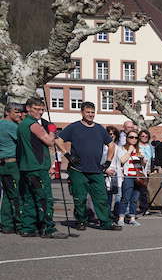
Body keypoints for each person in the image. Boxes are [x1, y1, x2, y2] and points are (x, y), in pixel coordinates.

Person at [55, 102, 121, 231]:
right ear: (82, 112)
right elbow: (58, 140)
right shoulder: (74, 127)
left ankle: (106, 222)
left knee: (101, 197)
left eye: (92, 112)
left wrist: (107, 161)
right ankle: (81, 221)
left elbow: (111, 145)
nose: (90, 114)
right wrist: (67, 155)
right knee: (79, 198)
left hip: (96, 169)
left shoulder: (100, 129)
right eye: (88, 112)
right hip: (77, 169)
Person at [16, 98, 67, 238]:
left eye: (42, 109)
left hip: (26, 167)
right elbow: (50, 142)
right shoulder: (33, 124)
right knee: (44, 198)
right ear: (28, 108)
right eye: (36, 109)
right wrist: (52, 130)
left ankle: (28, 227)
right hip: (37, 167)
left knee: (29, 198)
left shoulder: (21, 124)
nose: (40, 112)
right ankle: (48, 228)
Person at [0, 104, 23, 234]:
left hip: (2, 164)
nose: (19, 115)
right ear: (8, 112)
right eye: (16, 112)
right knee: (17, 195)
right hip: (12, 164)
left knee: (8, 195)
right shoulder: (11, 126)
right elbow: (24, 140)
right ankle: (20, 224)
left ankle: (6, 223)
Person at [118, 128, 147, 226]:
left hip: (138, 177)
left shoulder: (139, 149)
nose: (134, 139)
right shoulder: (122, 148)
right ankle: (121, 218)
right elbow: (122, 160)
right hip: (128, 176)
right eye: (131, 137)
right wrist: (129, 151)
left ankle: (132, 218)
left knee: (135, 199)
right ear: (127, 138)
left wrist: (143, 161)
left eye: (136, 137)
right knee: (125, 198)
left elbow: (142, 165)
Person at [104, 126, 124, 226]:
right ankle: (106, 217)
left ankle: (115, 216)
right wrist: (105, 169)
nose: (111, 136)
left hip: (117, 176)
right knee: (107, 198)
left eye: (113, 134)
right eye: (109, 134)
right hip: (106, 174)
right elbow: (100, 161)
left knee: (118, 197)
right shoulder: (103, 147)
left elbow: (122, 160)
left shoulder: (118, 147)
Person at [136, 130, 154, 215]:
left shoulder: (149, 146)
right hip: (138, 169)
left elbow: (152, 158)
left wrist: (152, 168)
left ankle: (144, 207)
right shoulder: (137, 146)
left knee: (144, 189)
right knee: (137, 189)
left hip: (147, 169)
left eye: (146, 136)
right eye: (142, 136)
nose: (144, 138)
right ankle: (136, 207)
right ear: (139, 137)